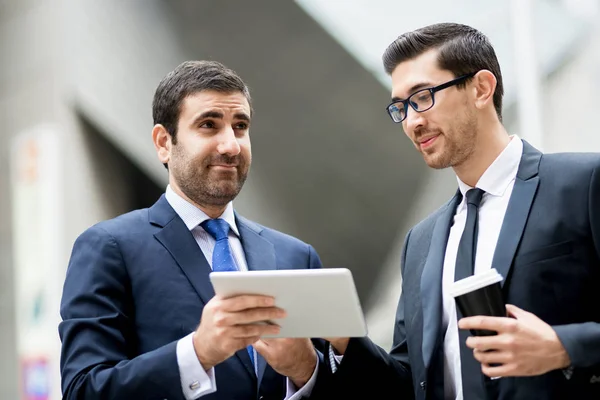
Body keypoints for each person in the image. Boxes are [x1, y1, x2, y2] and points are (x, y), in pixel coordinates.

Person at [308, 22, 600, 400]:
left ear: (481, 88)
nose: (412, 121)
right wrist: (345, 340)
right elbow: (408, 380)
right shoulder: (421, 242)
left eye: (423, 96)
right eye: (400, 107)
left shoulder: (583, 183)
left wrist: (564, 347)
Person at [59, 60, 329, 400]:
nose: (231, 145)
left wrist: (307, 371)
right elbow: (83, 390)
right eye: (208, 125)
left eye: (240, 126)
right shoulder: (108, 247)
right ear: (163, 143)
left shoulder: (296, 256)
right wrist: (197, 353)